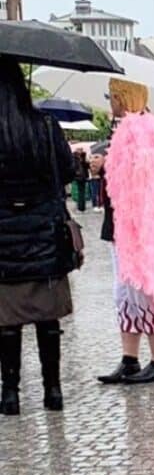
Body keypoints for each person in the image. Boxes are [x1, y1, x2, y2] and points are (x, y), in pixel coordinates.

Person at [96, 79, 154, 385]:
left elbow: (142, 180)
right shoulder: (147, 130)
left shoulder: (137, 132)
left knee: (147, 292)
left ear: (122, 97)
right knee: (125, 294)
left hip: (138, 230)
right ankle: (130, 359)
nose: (109, 101)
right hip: (127, 228)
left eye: (112, 95)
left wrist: (107, 163)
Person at [0, 58, 76, 415]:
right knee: (48, 318)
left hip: (4, 240)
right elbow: (67, 172)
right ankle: (54, 391)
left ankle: (10, 394)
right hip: (44, 233)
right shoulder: (45, 126)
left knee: (7, 320)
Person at [72, 148, 90, 213]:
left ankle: (81, 207)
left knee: (81, 192)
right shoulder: (76, 158)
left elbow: (86, 166)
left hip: (81, 177)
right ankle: (81, 207)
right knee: (81, 192)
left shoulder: (81, 157)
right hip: (80, 177)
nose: (80, 151)